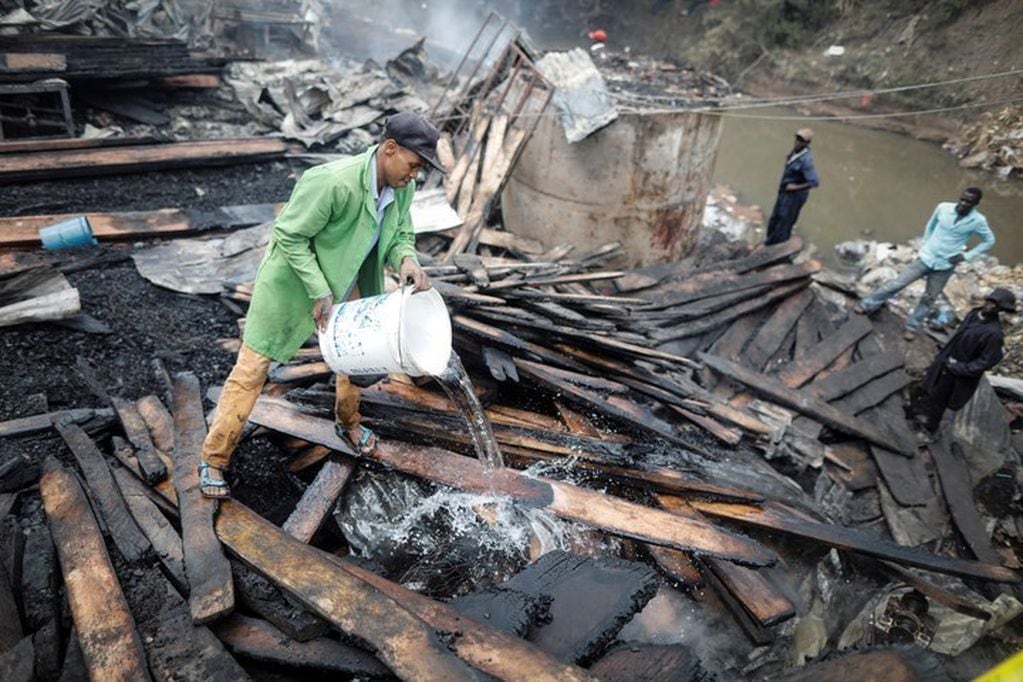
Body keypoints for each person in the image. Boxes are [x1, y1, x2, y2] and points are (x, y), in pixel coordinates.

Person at [198, 112, 443, 498]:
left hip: (349, 280)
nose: (415, 175)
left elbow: (400, 234)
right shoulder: (331, 182)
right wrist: (318, 289)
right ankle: (214, 459)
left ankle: (348, 423)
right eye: (413, 165)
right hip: (293, 284)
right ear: (389, 149)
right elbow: (290, 235)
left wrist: (407, 260)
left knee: (356, 354)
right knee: (253, 368)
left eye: (420, 170)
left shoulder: (402, 187)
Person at [854, 187, 996, 341]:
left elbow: (989, 240)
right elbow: (931, 224)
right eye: (962, 199)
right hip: (925, 258)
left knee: (929, 298)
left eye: (968, 202)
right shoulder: (943, 208)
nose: (963, 203)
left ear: (976, 203)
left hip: (944, 265)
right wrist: (926, 243)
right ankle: (867, 304)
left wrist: (967, 256)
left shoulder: (978, 221)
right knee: (897, 284)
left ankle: (912, 326)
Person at [917, 288, 1014, 440]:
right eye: (989, 301)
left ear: (1000, 309)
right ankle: (926, 418)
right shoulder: (974, 314)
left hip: (960, 373)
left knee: (944, 401)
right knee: (934, 392)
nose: (990, 305)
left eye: (995, 304)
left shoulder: (994, 334)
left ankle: (930, 430)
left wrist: (960, 368)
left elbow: (986, 362)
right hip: (948, 362)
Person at [764, 127, 819, 245]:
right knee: (775, 217)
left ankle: (777, 247)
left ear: (806, 143)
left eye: (801, 140)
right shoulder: (795, 152)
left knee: (784, 220)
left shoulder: (806, 161)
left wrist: (794, 187)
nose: (797, 142)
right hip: (784, 191)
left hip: (794, 196)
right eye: (797, 138)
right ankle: (768, 242)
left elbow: (814, 182)